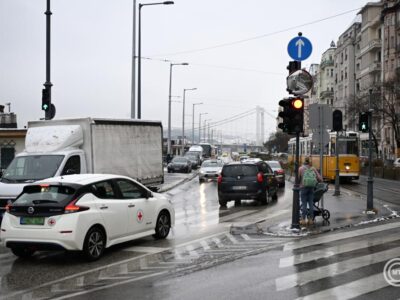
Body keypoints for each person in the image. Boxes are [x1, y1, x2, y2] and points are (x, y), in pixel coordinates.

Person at [298, 157, 323, 226]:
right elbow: (320, 179)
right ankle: (311, 220)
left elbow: (298, 179)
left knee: (304, 204)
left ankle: (303, 220)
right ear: (310, 162)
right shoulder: (313, 169)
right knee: (311, 204)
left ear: (304, 161)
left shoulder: (301, 168)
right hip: (311, 188)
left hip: (303, 188)